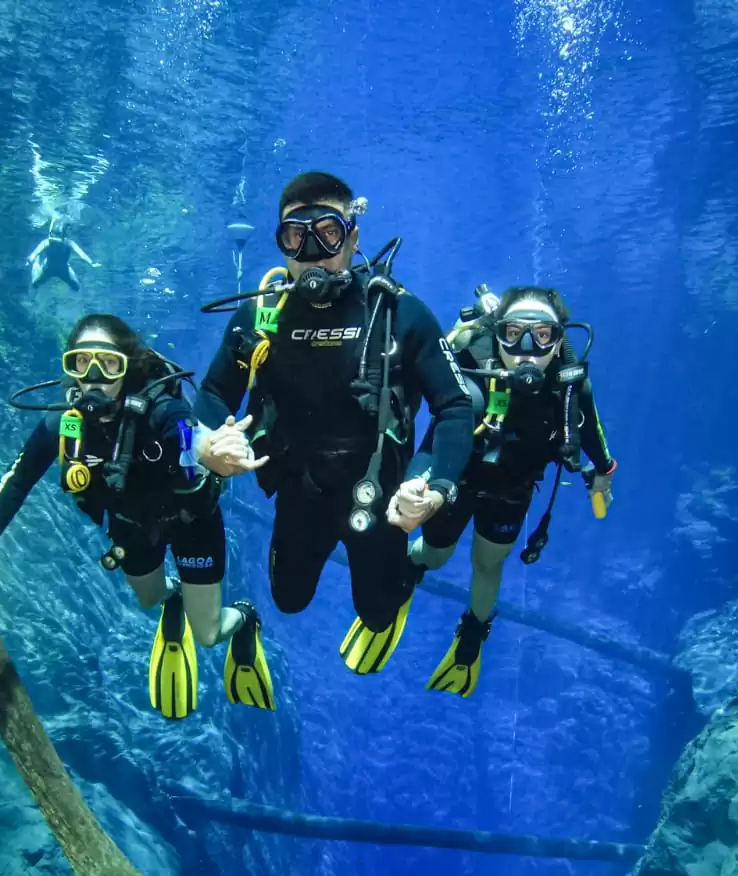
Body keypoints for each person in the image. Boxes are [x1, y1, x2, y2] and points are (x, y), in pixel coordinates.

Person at [191, 171, 476, 675]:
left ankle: (408, 567)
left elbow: (454, 405)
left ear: (353, 237)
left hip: (381, 496)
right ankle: (252, 622)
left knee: (379, 614)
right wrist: (202, 447)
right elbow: (213, 394)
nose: (312, 253)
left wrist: (436, 487)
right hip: (300, 492)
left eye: (328, 234)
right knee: (288, 600)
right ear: (280, 243)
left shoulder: (398, 314)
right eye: (295, 237)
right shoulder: (260, 317)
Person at [0, 313, 274, 718]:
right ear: (71, 370)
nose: (95, 377)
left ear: (128, 366)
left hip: (192, 522)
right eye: (82, 364)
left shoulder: (157, 410)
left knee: (207, 634)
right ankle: (175, 599)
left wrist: (213, 448)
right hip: (132, 529)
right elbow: (19, 478)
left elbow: (190, 432)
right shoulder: (65, 426)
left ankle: (244, 618)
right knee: (150, 598)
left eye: (109, 364)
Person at [409, 285, 618, 697]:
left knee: (490, 563)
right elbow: (430, 417)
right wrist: (454, 340)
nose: (526, 349)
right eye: (513, 334)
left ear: (559, 342)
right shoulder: (470, 365)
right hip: (457, 483)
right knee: (434, 555)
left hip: (513, 491)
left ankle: (473, 631)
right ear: (496, 333)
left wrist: (602, 477)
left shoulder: (569, 389)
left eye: (542, 336)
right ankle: (406, 568)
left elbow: (593, 438)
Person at [28, 215, 98, 291]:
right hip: (49, 268)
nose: (56, 240)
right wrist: (31, 260)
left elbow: (82, 254)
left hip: (64, 269)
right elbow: (35, 253)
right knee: (35, 285)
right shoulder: (47, 242)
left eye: (58, 237)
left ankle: (67, 267)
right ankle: (36, 264)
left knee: (76, 287)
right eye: (55, 236)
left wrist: (91, 263)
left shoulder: (68, 243)